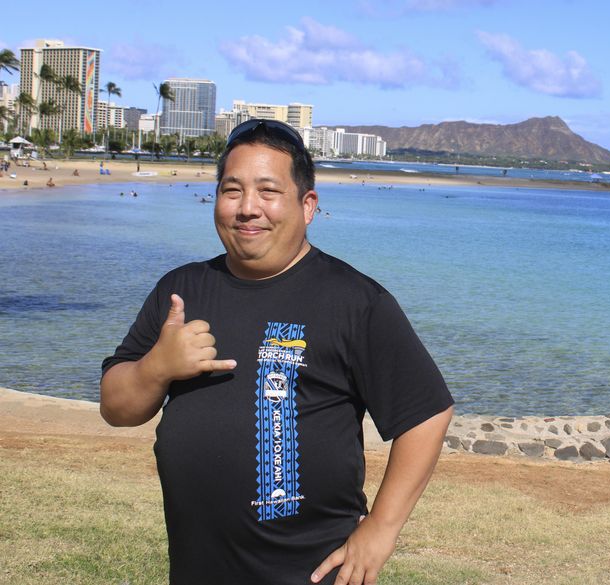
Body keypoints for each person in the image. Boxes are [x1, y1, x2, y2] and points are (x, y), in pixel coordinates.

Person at [100, 119, 453, 585]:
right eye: (232, 191)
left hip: (311, 573)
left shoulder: (354, 301)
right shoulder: (181, 290)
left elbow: (425, 414)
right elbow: (116, 408)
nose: (248, 209)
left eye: (268, 191)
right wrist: (156, 369)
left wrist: (381, 530)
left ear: (307, 206)